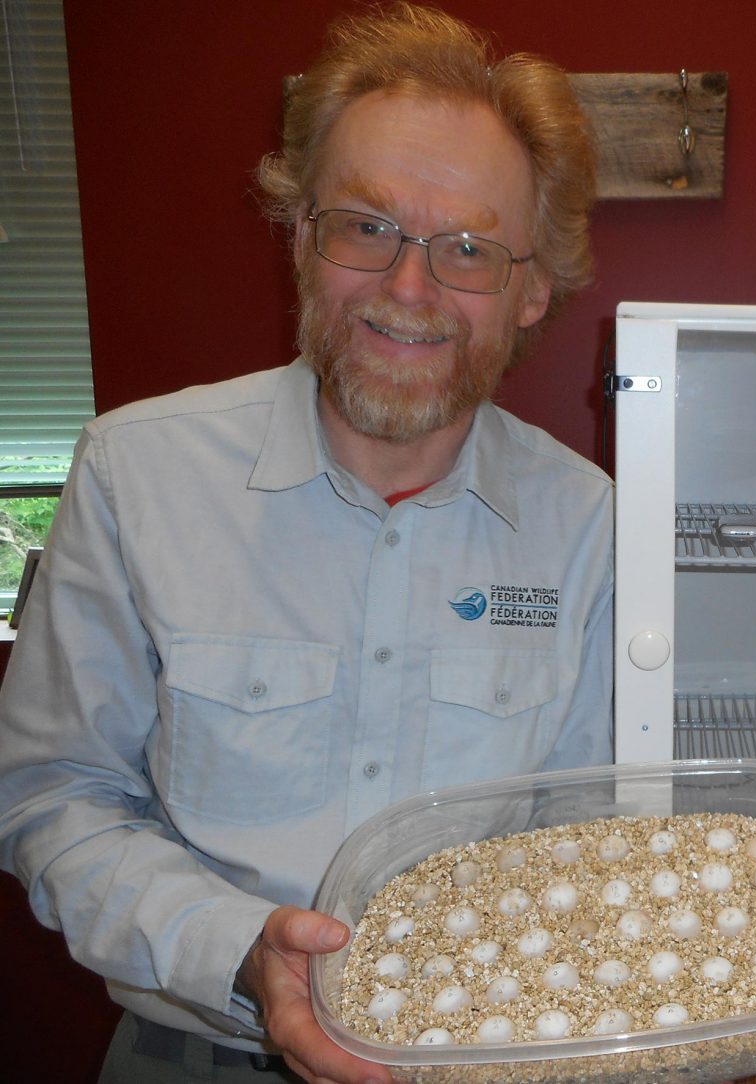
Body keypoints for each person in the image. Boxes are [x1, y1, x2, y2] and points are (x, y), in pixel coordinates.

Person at [0, 5, 611, 1082]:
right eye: (364, 227)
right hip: (193, 1044)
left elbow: (593, 841)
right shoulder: (134, 474)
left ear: (529, 291)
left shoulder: (589, 530)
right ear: (299, 238)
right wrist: (243, 954)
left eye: (468, 248)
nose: (408, 289)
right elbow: (51, 797)